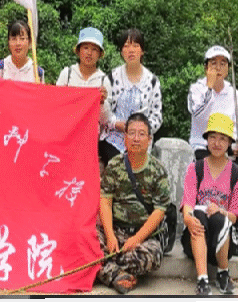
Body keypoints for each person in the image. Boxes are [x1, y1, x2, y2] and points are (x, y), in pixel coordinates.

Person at [97, 113, 171, 295]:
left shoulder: (158, 171)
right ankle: (117, 275)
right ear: (125, 137)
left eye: (141, 134)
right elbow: (105, 201)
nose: (136, 138)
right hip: (115, 230)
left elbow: (159, 210)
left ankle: (106, 269)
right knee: (87, 241)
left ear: (149, 139)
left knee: (151, 256)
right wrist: (110, 236)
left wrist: (136, 239)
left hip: (143, 236)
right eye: (131, 133)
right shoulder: (114, 165)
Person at [181, 113, 238, 296]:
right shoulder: (195, 168)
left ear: (229, 142)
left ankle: (223, 272)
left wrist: (221, 211)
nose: (217, 143)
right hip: (195, 237)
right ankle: (202, 279)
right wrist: (188, 219)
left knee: (220, 218)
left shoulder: (237, 174)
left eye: (222, 138)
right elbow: (187, 204)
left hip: (223, 241)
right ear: (206, 140)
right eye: (212, 137)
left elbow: (235, 216)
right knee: (198, 215)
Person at [102, 29, 162, 166]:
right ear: (121, 52)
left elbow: (157, 116)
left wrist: (140, 131)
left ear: (142, 51)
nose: (131, 50)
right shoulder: (111, 78)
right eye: (126, 46)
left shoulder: (152, 81)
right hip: (113, 138)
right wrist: (116, 124)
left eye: (135, 46)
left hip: (140, 142)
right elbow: (104, 112)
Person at [187, 45, 238, 160]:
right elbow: (198, 115)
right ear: (206, 67)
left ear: (228, 69)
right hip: (201, 145)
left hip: (226, 148)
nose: (218, 68)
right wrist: (209, 88)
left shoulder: (234, 94)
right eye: (213, 63)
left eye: (223, 64)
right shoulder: (196, 89)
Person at [55, 27, 111, 131]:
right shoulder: (67, 74)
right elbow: (56, 105)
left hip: (90, 135)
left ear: (99, 54)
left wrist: (103, 103)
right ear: (78, 50)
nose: (89, 53)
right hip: (66, 132)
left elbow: (105, 120)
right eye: (85, 48)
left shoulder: (104, 81)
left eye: (94, 49)